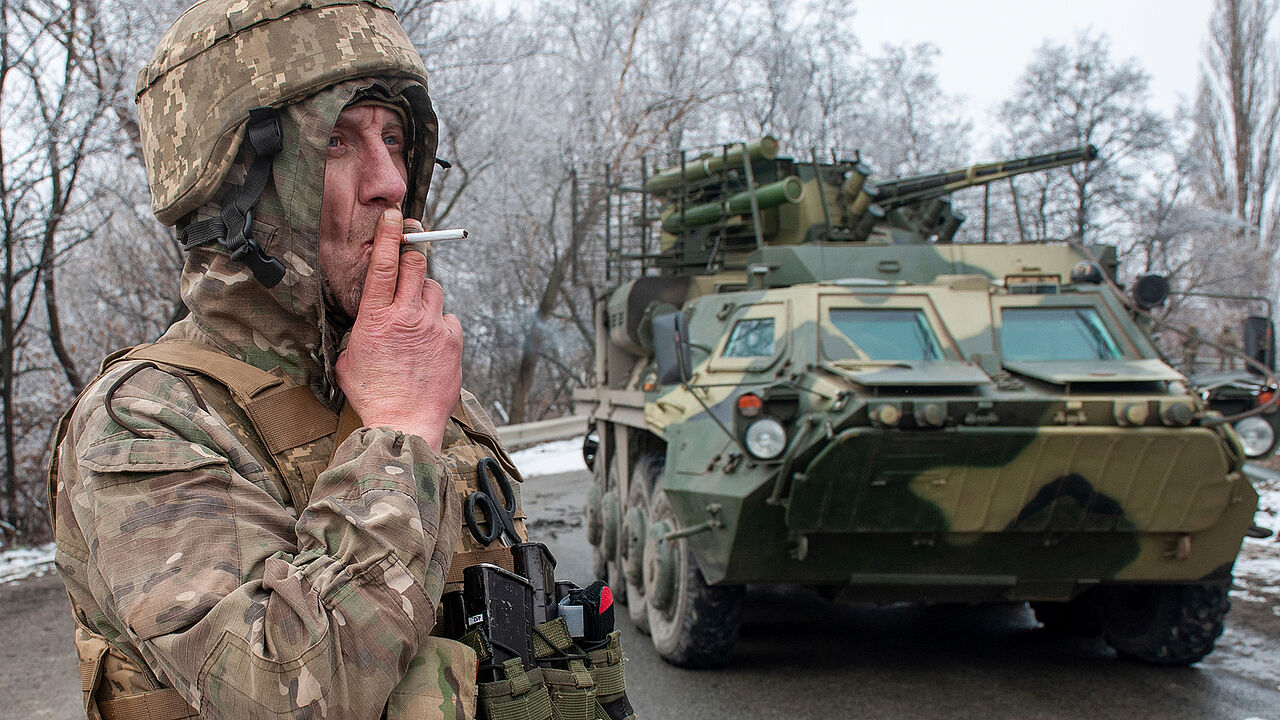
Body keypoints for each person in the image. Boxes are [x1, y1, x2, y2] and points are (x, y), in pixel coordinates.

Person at [49, 1, 527, 717]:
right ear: (239, 183)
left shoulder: (422, 382)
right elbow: (279, 692)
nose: (390, 182)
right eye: (337, 141)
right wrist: (396, 436)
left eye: (394, 139)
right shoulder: (148, 420)